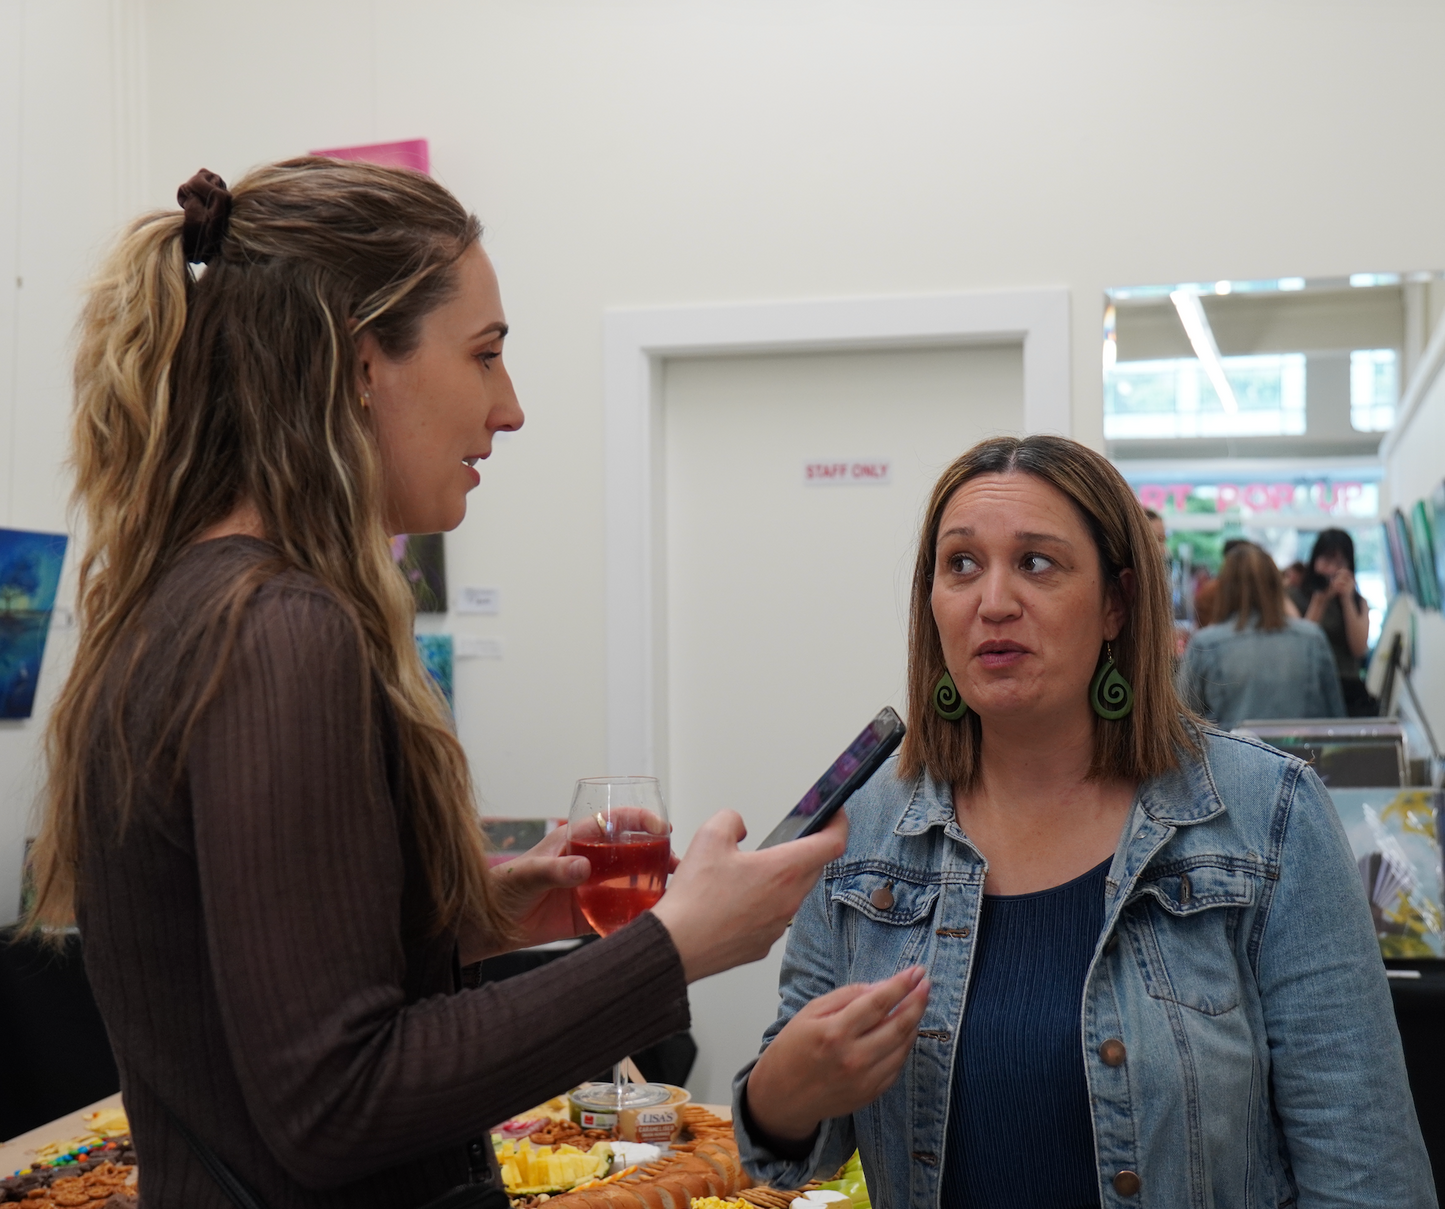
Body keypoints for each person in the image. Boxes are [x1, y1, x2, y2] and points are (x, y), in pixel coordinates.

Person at [23, 161, 847, 1209]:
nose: (508, 409)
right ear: (358, 362)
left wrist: (469, 916)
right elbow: (337, 1101)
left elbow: (237, 968)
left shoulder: (186, 603)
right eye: (485, 356)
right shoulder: (281, 632)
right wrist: (673, 946)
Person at [732, 435, 1434, 1208]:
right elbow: (795, 1155)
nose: (991, 600)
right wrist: (779, 1095)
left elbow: (1367, 1175)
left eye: (1036, 562)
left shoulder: (1265, 816)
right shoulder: (861, 835)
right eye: (960, 564)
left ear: (1115, 603)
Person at [1177, 542, 1345, 729]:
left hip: (1231, 755)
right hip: (1303, 756)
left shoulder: (1206, 644)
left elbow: (1184, 723)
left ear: (1224, 587)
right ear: (1276, 584)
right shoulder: (1312, 638)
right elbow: (1335, 719)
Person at [1288, 529, 1374, 716]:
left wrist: (1347, 600)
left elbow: (1359, 649)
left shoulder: (1359, 602)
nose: (1332, 570)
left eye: (1340, 563)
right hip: (1310, 684)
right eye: (1326, 561)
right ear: (1314, 560)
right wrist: (1320, 602)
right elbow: (1300, 645)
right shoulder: (1295, 596)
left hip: (1347, 686)